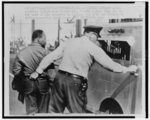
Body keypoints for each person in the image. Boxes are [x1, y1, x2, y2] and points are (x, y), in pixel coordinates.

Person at [30, 25, 138, 113]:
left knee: (54, 111)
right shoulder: (93, 47)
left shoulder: (69, 42)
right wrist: (128, 69)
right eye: (97, 36)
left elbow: (50, 57)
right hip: (75, 82)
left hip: (59, 79)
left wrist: (38, 71)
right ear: (92, 35)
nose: (97, 39)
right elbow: (110, 65)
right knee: (78, 112)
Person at [12, 29, 54, 114]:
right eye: (44, 38)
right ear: (38, 39)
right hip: (43, 84)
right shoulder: (47, 53)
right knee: (43, 112)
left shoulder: (21, 52)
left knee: (31, 112)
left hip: (28, 84)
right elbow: (51, 74)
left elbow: (16, 71)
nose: (46, 40)